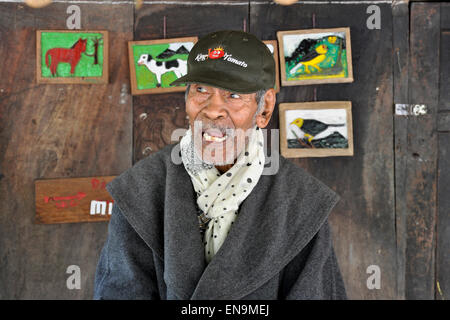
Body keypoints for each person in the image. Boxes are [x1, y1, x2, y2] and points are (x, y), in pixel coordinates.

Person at [93, 30, 347, 300]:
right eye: (201, 89)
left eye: (234, 95)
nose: (213, 110)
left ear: (264, 109)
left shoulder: (303, 203)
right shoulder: (140, 192)